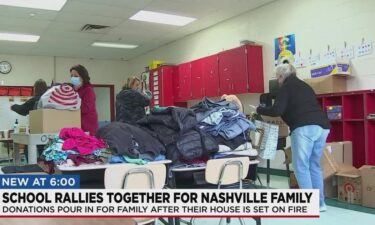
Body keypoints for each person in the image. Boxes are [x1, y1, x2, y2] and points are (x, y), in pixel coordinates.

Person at [256, 63, 331, 212]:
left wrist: (260, 109)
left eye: (278, 78)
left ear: (281, 76)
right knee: (314, 166)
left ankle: (309, 205)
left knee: (301, 167)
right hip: (322, 127)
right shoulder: (305, 86)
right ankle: (320, 204)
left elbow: (277, 110)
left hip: (304, 128)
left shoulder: (285, 88)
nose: (278, 81)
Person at [70, 64, 98, 135]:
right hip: (77, 126)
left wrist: (72, 101)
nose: (73, 78)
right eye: (71, 76)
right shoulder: (73, 90)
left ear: (83, 77)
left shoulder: (88, 90)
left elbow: (85, 108)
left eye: (76, 76)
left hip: (87, 127)